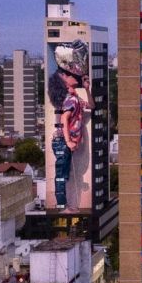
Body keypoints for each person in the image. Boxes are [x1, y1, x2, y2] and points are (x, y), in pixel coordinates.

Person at [48, 69, 95, 211]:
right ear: (63, 81)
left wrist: (87, 89)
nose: (71, 76)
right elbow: (64, 118)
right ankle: (63, 206)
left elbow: (91, 106)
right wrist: (68, 142)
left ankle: (68, 205)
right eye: (66, 75)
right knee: (62, 175)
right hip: (63, 142)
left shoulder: (75, 98)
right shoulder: (70, 99)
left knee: (65, 175)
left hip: (64, 142)